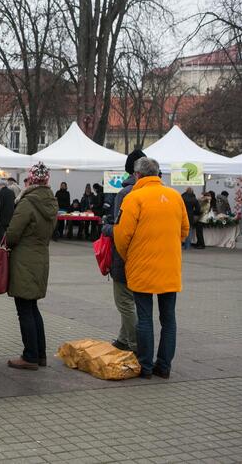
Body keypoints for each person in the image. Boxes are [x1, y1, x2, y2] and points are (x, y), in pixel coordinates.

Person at [114, 157, 189, 379]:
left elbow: (122, 235)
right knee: (169, 319)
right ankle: (164, 366)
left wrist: (130, 256)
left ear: (137, 175)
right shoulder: (176, 197)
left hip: (142, 267)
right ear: (157, 175)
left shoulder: (134, 198)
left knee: (145, 318)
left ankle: (145, 367)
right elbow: (184, 231)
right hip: (170, 268)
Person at [5, 162, 58, 370]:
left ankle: (30, 356)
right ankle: (40, 354)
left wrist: (5, 242)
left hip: (24, 262)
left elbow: (13, 233)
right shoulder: (51, 202)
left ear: (32, 180)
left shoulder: (28, 203)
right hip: (41, 259)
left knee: (24, 310)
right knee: (33, 308)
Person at [101, 149, 146, 352]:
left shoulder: (125, 193)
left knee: (124, 302)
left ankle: (136, 345)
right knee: (131, 300)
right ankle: (123, 338)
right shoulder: (154, 192)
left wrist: (105, 226)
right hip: (145, 256)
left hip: (124, 256)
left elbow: (120, 230)